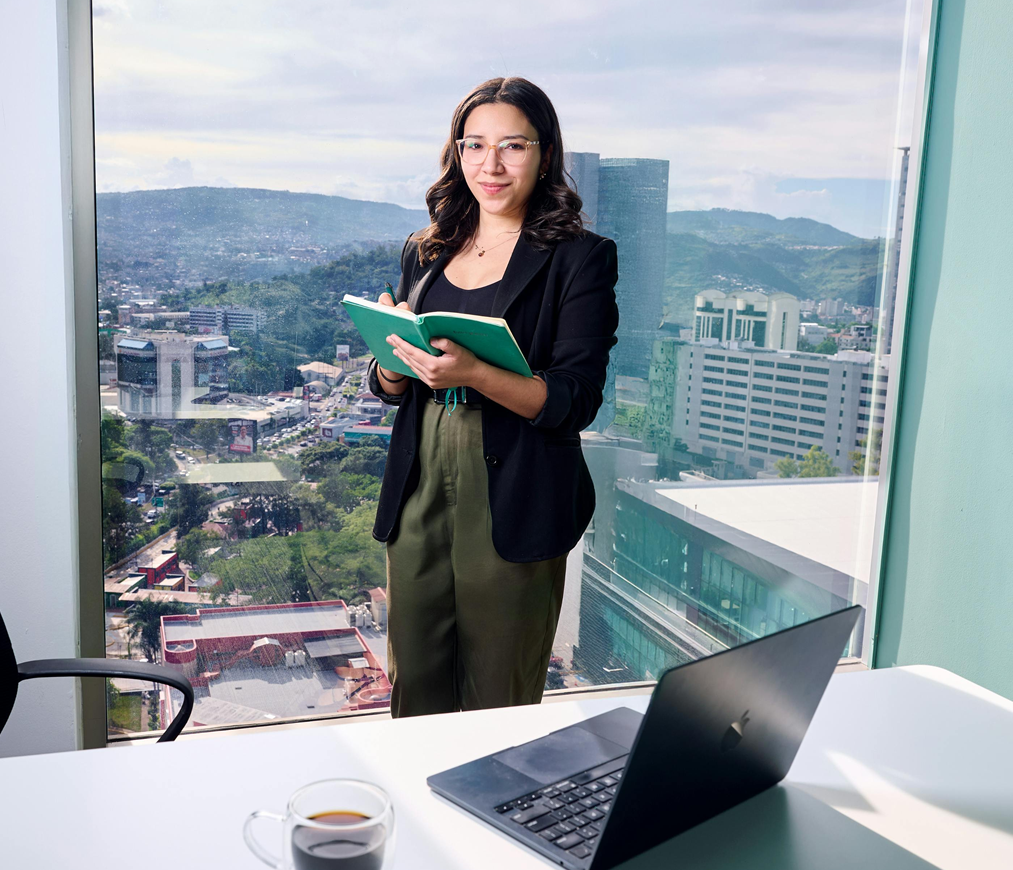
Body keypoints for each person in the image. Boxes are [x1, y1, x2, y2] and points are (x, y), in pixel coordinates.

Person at [365, 76, 619, 718]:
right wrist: (394, 363)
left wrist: (475, 374)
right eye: (474, 145)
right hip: (420, 481)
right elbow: (390, 385)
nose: (491, 165)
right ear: (456, 152)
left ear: (544, 152)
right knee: (414, 685)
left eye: (513, 146)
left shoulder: (580, 259)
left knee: (498, 700)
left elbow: (575, 399)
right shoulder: (425, 250)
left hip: (515, 489)